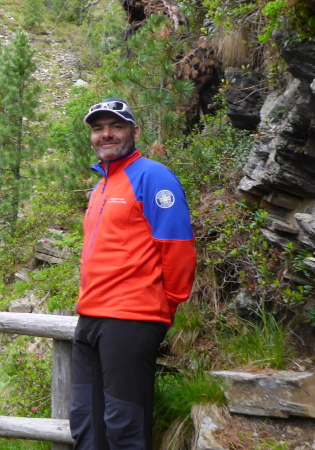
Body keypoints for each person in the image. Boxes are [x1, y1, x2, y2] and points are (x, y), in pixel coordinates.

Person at [69, 98, 197, 449]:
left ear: (135, 132)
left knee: (124, 425)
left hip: (132, 318)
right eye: (98, 128)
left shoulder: (153, 176)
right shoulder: (100, 187)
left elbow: (178, 247)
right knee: (85, 422)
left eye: (116, 126)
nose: (106, 134)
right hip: (90, 317)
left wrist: (165, 305)